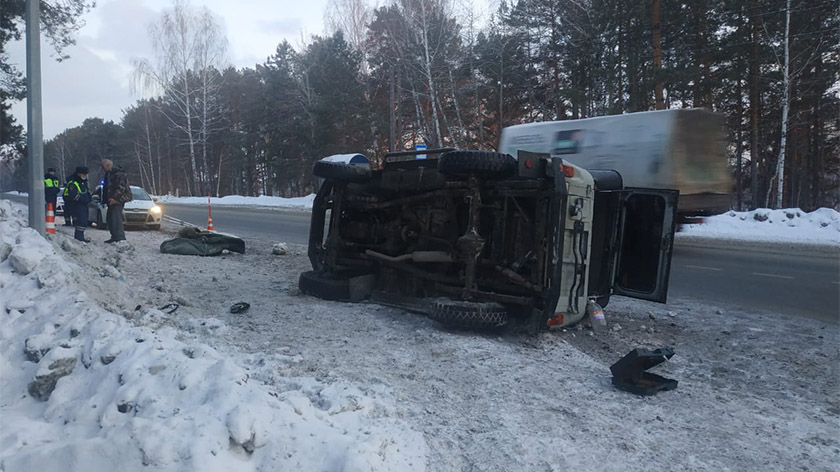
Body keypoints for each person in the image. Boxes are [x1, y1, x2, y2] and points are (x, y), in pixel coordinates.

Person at [100, 159, 132, 243]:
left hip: (119, 199)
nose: (102, 168)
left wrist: (115, 198)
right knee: (110, 218)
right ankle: (114, 236)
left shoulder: (118, 173)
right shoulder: (109, 174)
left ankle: (120, 238)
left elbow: (121, 187)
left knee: (116, 218)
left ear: (107, 165)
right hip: (111, 199)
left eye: (103, 166)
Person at [65, 166, 92, 242]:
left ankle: (80, 237)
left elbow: (86, 192)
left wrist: (89, 199)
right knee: (81, 221)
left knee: (84, 221)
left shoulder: (82, 182)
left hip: (83, 205)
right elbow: (73, 195)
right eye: (84, 174)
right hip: (77, 205)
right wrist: (84, 200)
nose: (85, 176)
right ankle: (79, 237)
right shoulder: (72, 182)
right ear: (79, 174)